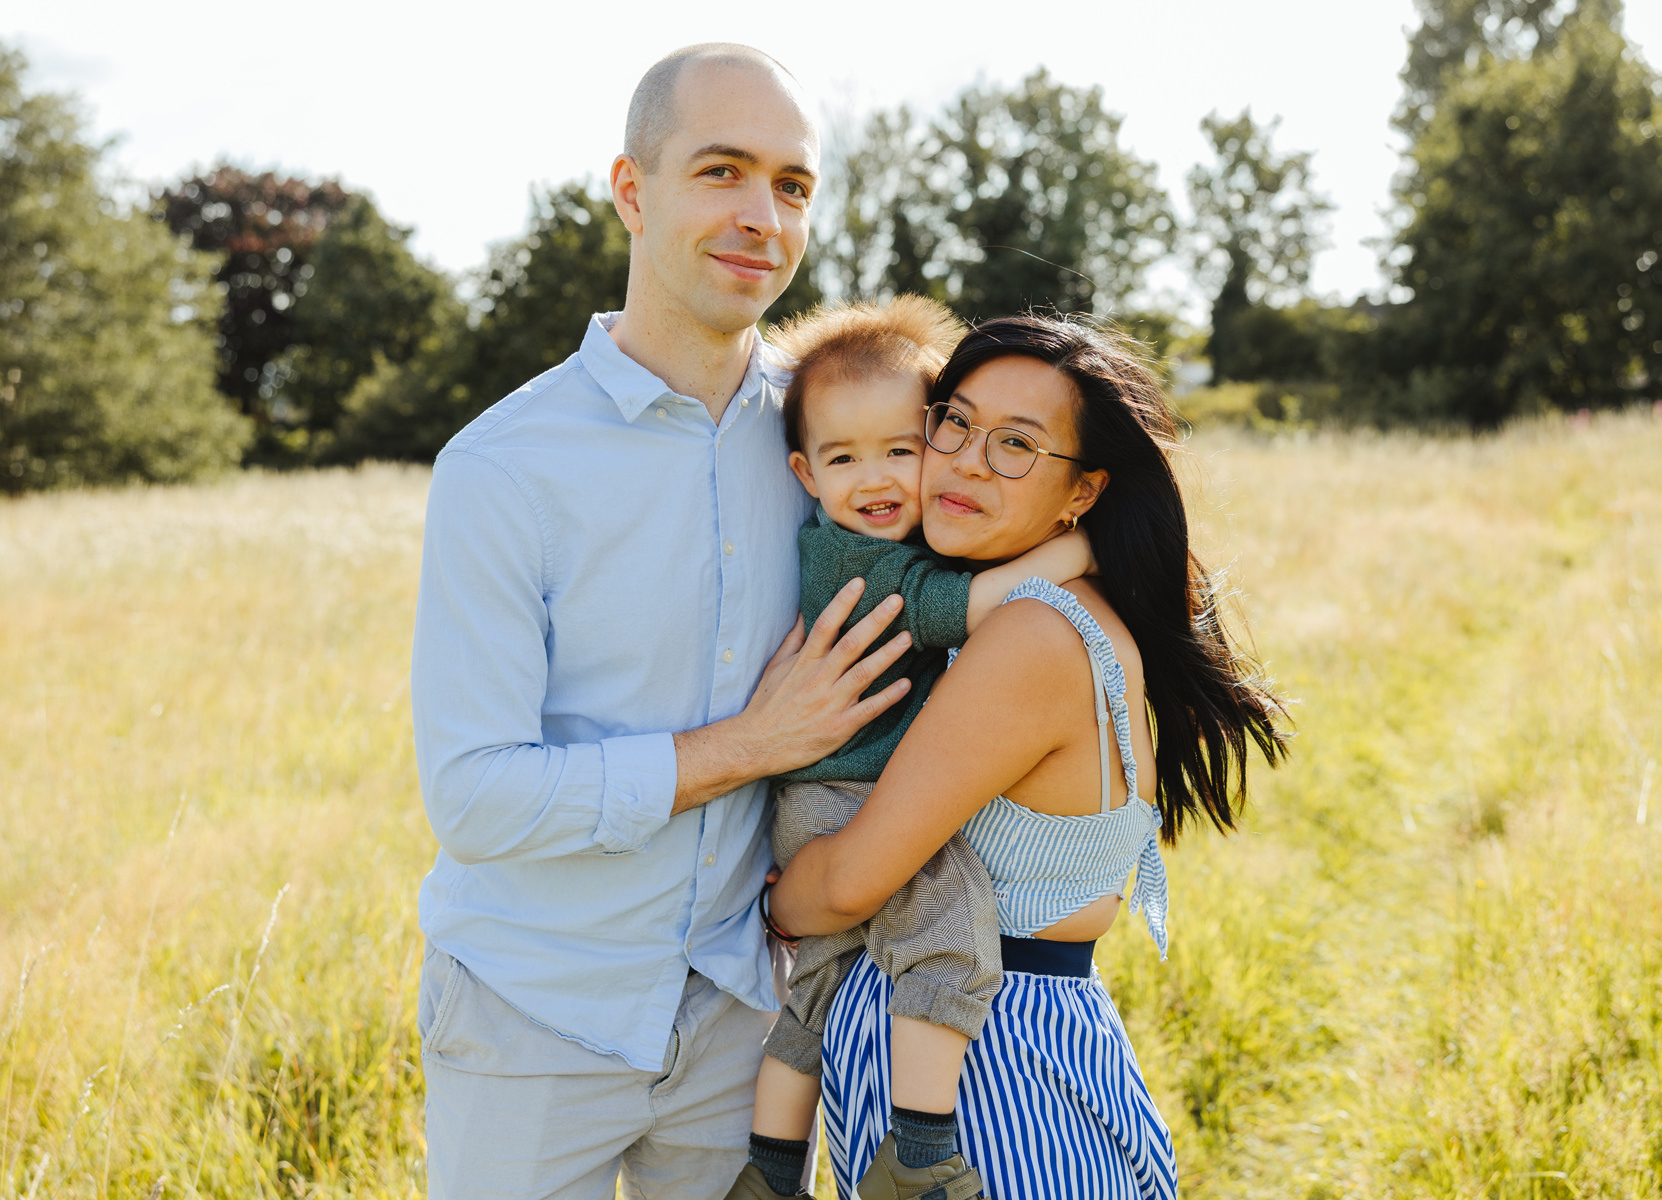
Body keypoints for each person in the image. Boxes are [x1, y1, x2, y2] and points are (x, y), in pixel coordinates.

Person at [409, 44, 914, 1198]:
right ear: (632, 192)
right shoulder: (501, 468)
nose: (762, 218)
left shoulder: (835, 444)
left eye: (792, 185)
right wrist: (750, 745)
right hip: (530, 1020)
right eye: (721, 171)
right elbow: (475, 798)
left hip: (749, 1021)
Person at [769, 315, 1291, 1197]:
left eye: (1016, 444)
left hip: (988, 1083)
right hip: (1001, 1054)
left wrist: (774, 903)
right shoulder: (1049, 609)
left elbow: (853, 882)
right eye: (954, 422)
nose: (968, 462)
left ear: (1083, 491)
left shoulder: (1032, 636)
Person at [723, 297, 1097, 1200]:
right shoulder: (855, 560)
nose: (877, 479)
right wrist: (1080, 552)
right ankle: (922, 1150)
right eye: (844, 459)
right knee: (950, 921)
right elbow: (965, 608)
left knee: (812, 988)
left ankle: (771, 1170)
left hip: (821, 797)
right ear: (805, 473)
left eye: (901, 449)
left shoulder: (879, 541)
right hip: (845, 796)